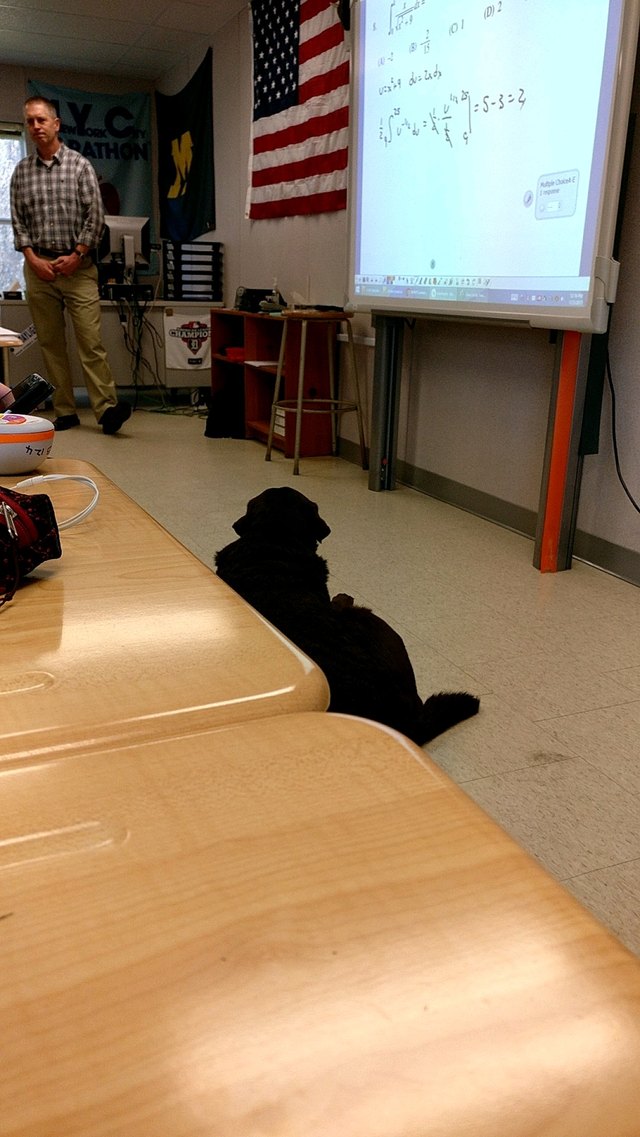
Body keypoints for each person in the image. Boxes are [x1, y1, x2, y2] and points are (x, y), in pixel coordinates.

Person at [10, 96, 131, 434]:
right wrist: (33, 259)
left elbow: (96, 215)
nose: (35, 126)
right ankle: (64, 410)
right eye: (30, 121)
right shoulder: (21, 172)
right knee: (50, 343)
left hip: (79, 267)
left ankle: (106, 411)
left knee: (90, 341)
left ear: (56, 124)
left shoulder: (79, 165)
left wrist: (77, 254)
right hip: (39, 269)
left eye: (41, 120)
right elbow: (19, 222)